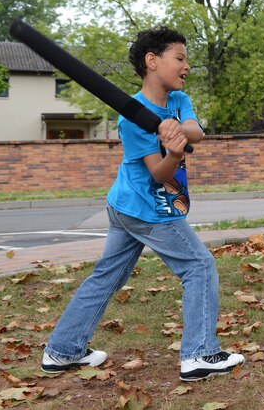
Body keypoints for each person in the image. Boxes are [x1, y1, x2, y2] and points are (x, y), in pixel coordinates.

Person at [40, 27, 244, 382]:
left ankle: (62, 350)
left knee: (107, 276)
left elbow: (198, 130)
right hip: (145, 208)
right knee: (199, 266)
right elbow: (156, 174)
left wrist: (175, 129)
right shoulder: (131, 117)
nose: (187, 66)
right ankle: (199, 354)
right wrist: (174, 152)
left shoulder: (178, 101)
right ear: (152, 61)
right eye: (179, 58)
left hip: (124, 204)